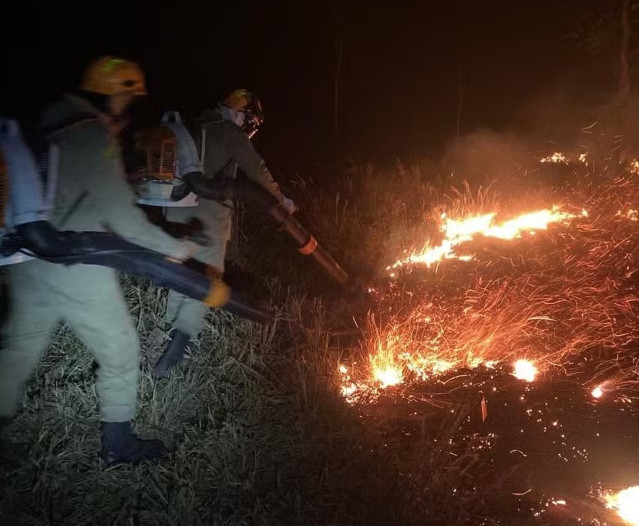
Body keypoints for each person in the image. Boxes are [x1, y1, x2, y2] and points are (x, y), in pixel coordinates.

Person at [0, 56, 195, 466]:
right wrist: (172, 247)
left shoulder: (50, 123)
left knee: (17, 349)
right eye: (126, 99)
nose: (126, 109)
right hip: (77, 264)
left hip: (28, 259)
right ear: (111, 95)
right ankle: (119, 446)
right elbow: (121, 215)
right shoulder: (90, 133)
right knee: (121, 350)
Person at [156, 89, 296, 377]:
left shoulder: (191, 126)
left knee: (180, 270)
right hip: (208, 213)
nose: (248, 129)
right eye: (250, 122)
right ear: (242, 115)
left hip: (174, 211)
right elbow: (257, 171)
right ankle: (177, 350)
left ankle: (168, 329)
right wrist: (282, 202)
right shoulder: (228, 132)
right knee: (208, 277)